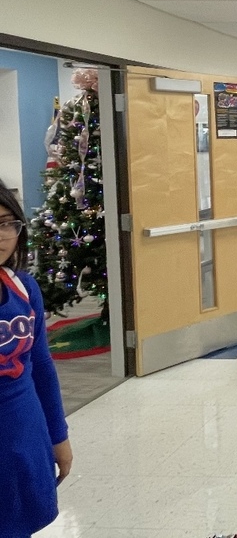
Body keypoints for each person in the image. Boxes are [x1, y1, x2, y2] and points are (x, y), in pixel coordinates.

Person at [0, 181, 73, 537]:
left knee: (19, 524)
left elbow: (41, 367)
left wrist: (58, 436)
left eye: (5, 223)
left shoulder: (24, 288)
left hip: (23, 429)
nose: (0, 236)